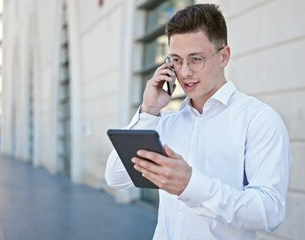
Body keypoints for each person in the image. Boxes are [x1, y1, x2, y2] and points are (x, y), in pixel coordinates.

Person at [105, 3, 292, 239]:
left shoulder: (259, 120)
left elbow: (269, 212)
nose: (184, 72)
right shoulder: (164, 122)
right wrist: (149, 111)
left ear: (224, 56)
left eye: (195, 59)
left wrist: (191, 185)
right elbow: (116, 178)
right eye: (176, 60)